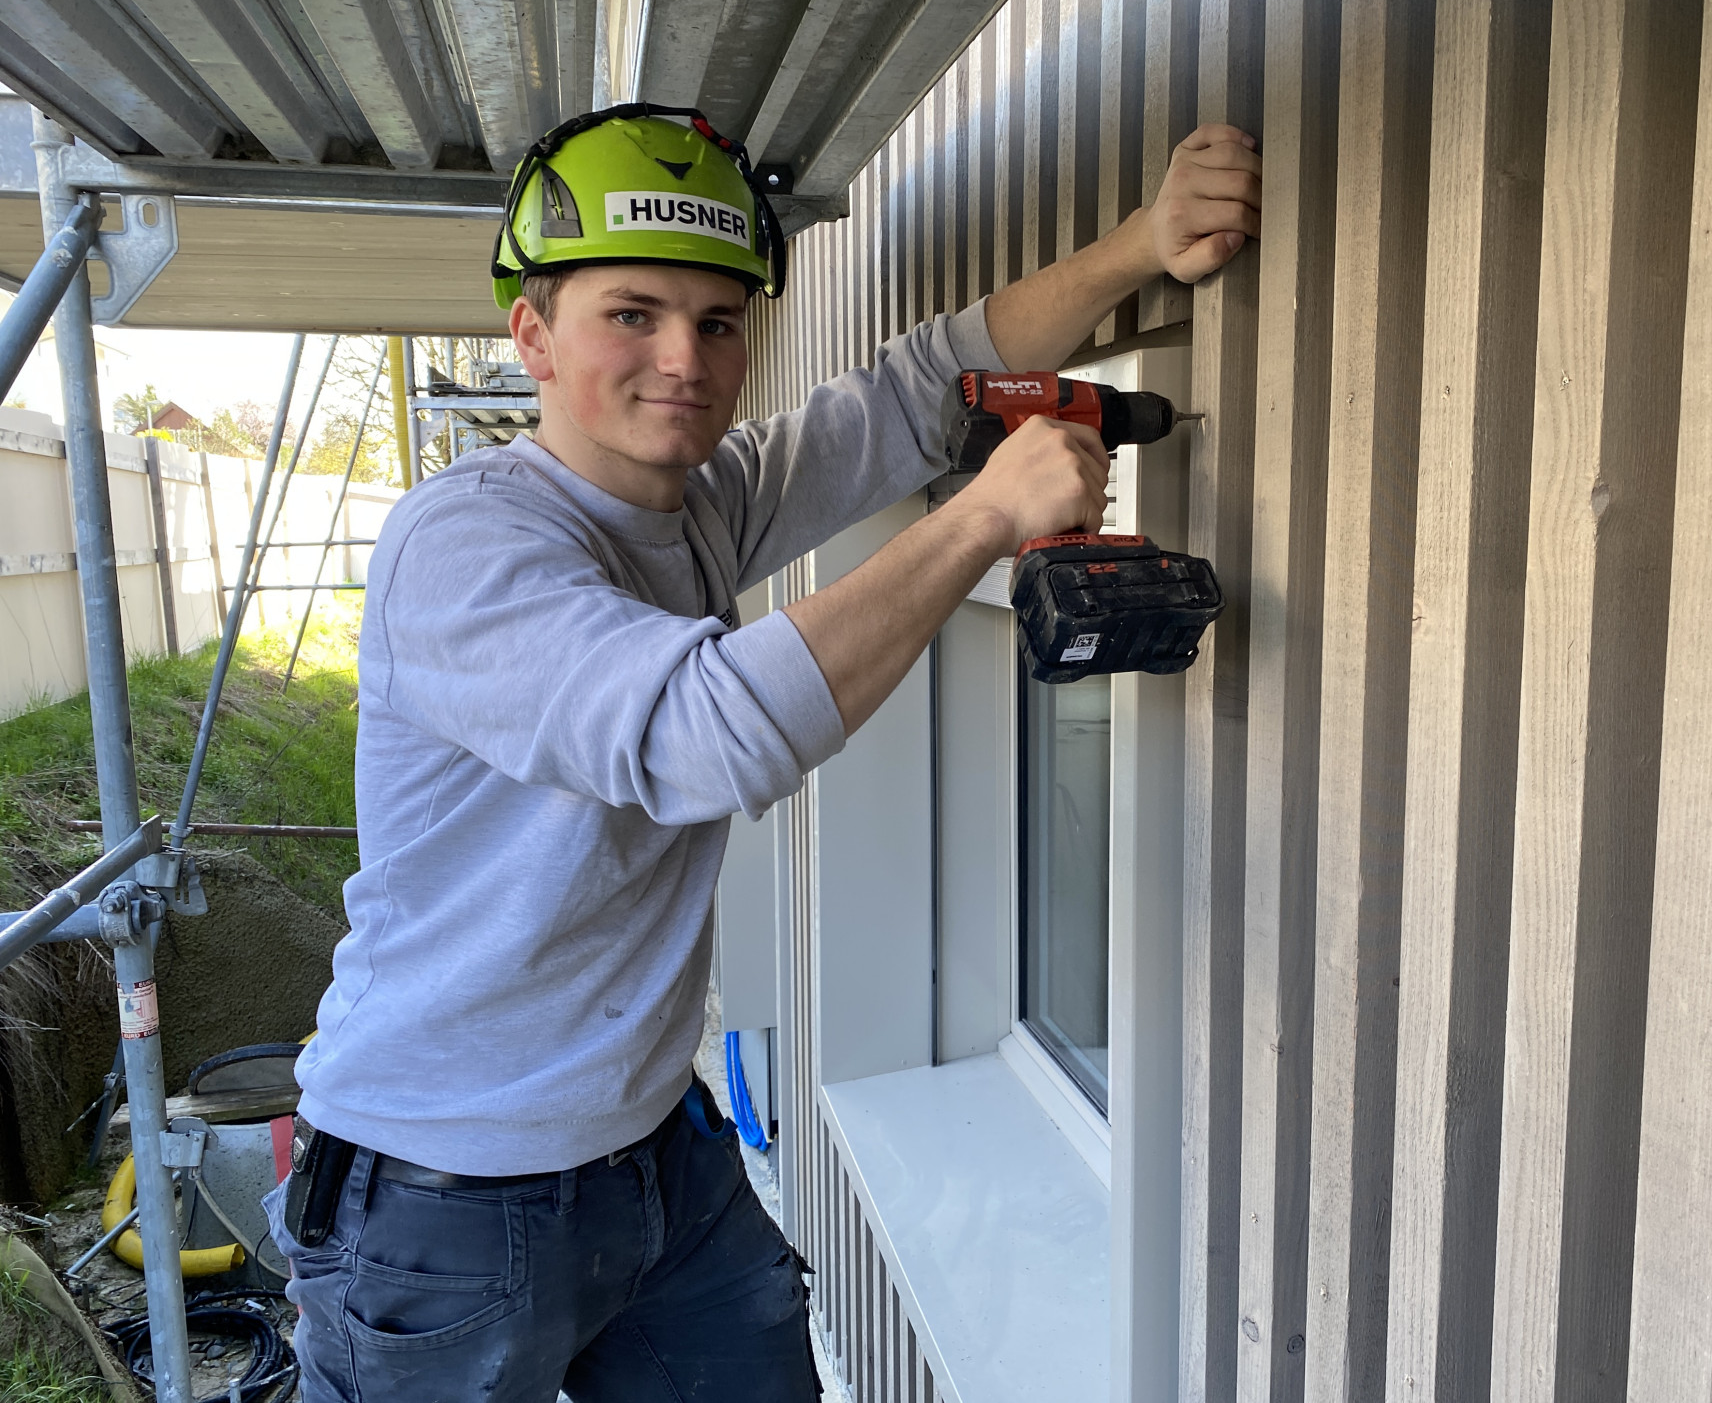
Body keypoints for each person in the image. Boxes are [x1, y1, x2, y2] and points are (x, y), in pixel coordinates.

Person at [265, 102, 1261, 1401]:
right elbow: (705, 733)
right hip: (440, 1194)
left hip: (649, 1148)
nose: (682, 355)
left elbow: (917, 392)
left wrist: (1141, 244)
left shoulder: (698, 504)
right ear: (532, 336)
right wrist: (984, 518)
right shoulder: (464, 549)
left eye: (717, 321)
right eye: (632, 313)